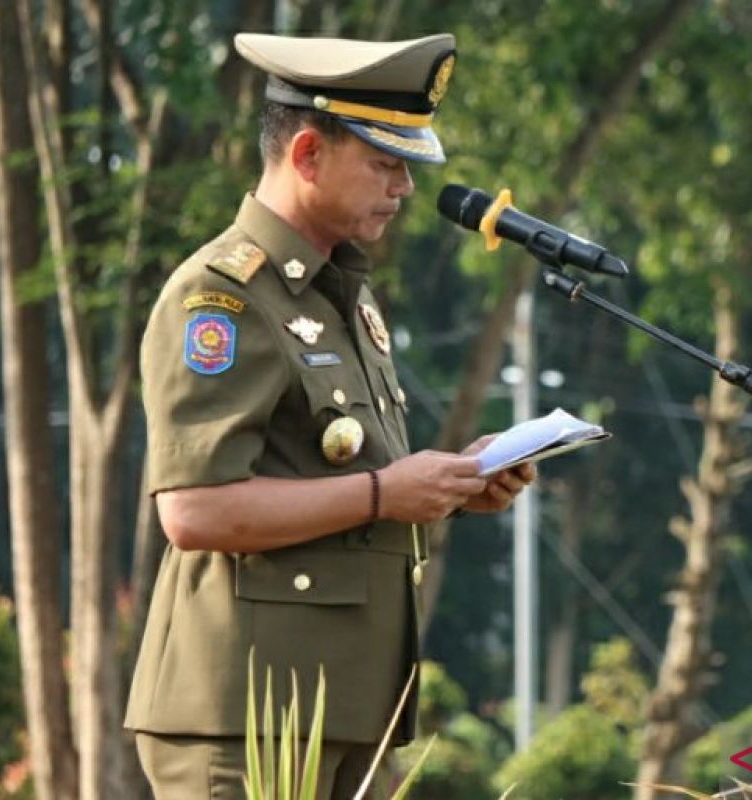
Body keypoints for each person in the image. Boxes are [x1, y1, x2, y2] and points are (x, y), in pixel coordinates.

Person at [125, 31, 535, 799]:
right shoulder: (221, 296)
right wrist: (387, 494)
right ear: (308, 154)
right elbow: (193, 509)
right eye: (385, 165)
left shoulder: (338, 295)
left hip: (345, 708)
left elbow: (338, 483)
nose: (404, 188)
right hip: (247, 719)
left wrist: (453, 483)